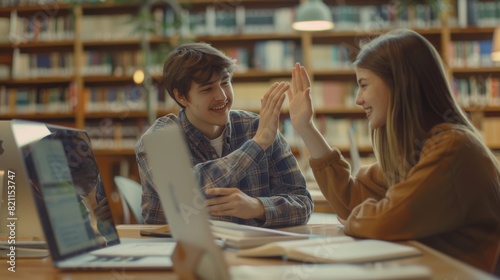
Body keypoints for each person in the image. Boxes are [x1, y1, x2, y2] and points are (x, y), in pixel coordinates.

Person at [286, 28, 500, 274]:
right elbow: (350, 201)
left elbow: (382, 222)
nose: (358, 99)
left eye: (363, 85)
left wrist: (358, 218)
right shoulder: (420, 150)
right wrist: (306, 126)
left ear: (400, 84)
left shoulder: (451, 148)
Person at [135, 42, 313, 228]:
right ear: (181, 97)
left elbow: (302, 202)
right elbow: (185, 191)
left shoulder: (256, 127)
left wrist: (258, 207)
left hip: (249, 252)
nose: (222, 96)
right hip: (174, 252)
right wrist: (257, 145)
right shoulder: (157, 139)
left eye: (225, 83)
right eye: (207, 89)